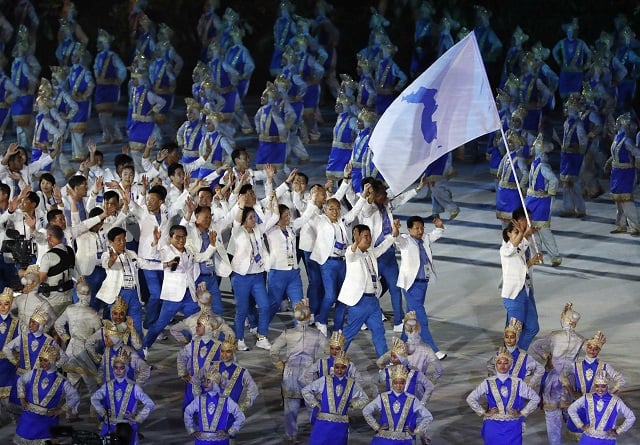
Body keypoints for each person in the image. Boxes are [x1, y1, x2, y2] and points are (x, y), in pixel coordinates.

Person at [270, 299, 327, 444]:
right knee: (312, 405)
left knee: (291, 406)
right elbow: (328, 351)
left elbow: (274, 350)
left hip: (291, 371)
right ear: (309, 318)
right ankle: (316, 433)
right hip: (309, 371)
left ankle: (292, 436)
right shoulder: (316, 334)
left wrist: (279, 364)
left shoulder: (288, 333)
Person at [530, 303, 585, 445]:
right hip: (571, 379)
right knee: (570, 411)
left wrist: (546, 356)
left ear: (563, 321)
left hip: (553, 379)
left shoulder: (554, 335)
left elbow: (535, 345)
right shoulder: (580, 339)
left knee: (552, 417)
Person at [338, 223, 396, 357]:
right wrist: (355, 244)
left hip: (373, 301)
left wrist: (393, 235)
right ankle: (335, 359)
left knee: (379, 331)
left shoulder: (370, 252)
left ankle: (384, 362)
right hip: (359, 302)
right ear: (356, 238)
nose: (369, 239)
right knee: (350, 332)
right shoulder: (351, 253)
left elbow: (382, 247)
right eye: (365, 237)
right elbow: (351, 253)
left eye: (369, 236)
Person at [394, 215, 446, 359]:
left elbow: (436, 234)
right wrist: (396, 230)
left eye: (422, 227)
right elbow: (397, 239)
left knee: (411, 316)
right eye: (416, 228)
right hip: (410, 284)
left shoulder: (424, 239)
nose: (420, 230)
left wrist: (439, 226)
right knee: (421, 317)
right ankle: (433, 349)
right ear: (409, 229)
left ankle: (401, 346)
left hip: (423, 283)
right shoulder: (406, 240)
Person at [466, 347, 540, 445]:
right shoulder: (488, 382)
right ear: (495, 365)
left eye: (505, 363)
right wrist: (484, 412)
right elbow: (470, 398)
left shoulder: (518, 382)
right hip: (493, 426)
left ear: (510, 365)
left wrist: (522, 413)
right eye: (499, 363)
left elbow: (536, 398)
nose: (502, 366)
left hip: (512, 426)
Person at [14, 345, 79, 444]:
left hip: (47, 421)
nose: (42, 363)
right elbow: (20, 380)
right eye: (41, 360)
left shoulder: (62, 381)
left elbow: (75, 396)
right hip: (28, 419)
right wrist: (22, 398)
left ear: (52, 361)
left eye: (46, 360)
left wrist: (62, 410)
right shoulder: (34, 373)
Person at [301, 350, 369, 445]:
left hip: (340, 426)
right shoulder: (325, 380)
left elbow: (365, 398)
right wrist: (316, 404)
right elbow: (305, 390)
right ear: (334, 367)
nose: (339, 370)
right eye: (337, 367)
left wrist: (352, 405)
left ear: (347, 368)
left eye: (343, 368)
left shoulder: (352, 384)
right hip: (323, 424)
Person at [90, 347, 155, 445]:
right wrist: (103, 412)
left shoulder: (134, 387)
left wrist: (138, 417)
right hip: (109, 427)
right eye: (116, 368)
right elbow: (94, 398)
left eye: (121, 368)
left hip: (127, 429)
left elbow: (150, 404)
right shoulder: (107, 386)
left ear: (126, 368)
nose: (118, 371)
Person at [499, 217, 543, 350]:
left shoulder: (518, 250)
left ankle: (519, 356)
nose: (518, 235)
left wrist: (533, 260)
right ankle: (511, 361)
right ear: (508, 234)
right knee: (513, 333)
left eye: (518, 233)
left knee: (533, 328)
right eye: (515, 232)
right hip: (513, 298)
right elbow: (514, 245)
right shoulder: (505, 249)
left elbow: (522, 266)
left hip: (524, 292)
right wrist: (522, 232)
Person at [363, 364, 433, 444]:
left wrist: (416, 431)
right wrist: (377, 427)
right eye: (395, 383)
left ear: (405, 383)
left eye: (401, 383)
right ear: (392, 383)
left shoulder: (412, 399)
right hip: (383, 438)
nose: (398, 386)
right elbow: (366, 411)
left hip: (404, 439)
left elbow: (428, 416)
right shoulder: (383, 397)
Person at [567, 369, 636, 444]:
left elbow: (631, 417)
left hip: (606, 440)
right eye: (597, 386)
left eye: (603, 386)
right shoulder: (587, 397)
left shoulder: (616, 401)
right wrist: (581, 425)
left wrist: (618, 431)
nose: (600, 389)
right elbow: (571, 409)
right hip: (588, 439)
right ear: (594, 385)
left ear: (607, 386)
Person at [184, 369, 245, 445]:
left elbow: (241, 417)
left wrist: (229, 431)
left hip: (220, 442)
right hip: (201, 442)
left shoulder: (227, 400)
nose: (205, 383)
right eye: (205, 380)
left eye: (208, 381)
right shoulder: (199, 399)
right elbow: (187, 411)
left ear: (215, 383)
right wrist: (191, 430)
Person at [177, 310, 222, 410]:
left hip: (211, 385)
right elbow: (181, 357)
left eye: (199, 325)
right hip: (194, 383)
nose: (196, 327)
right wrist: (183, 373)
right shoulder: (193, 344)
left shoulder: (219, 346)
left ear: (208, 327)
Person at [203, 333, 259, 413]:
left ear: (233, 352)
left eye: (228, 352)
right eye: (222, 351)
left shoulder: (242, 371)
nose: (224, 355)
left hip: (229, 415)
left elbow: (254, 390)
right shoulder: (212, 366)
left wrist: (242, 407)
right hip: (210, 411)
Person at [606, 113, 640, 236]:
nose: (616, 125)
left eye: (618, 123)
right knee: (618, 200)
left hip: (626, 173)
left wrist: (637, 164)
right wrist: (610, 161)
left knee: (626, 201)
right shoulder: (617, 137)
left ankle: (635, 226)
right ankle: (621, 225)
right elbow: (615, 153)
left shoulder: (627, 140)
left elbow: (637, 153)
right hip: (617, 172)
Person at [487, 319, 544, 389]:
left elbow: (540, 369)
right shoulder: (499, 354)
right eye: (507, 337)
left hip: (517, 394)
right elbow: (490, 365)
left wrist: (530, 383)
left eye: (512, 337)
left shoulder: (523, 356)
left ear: (516, 338)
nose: (509, 340)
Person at [35, 224, 75, 316]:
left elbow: (40, 280)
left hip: (53, 300)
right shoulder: (70, 251)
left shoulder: (48, 256)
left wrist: (28, 273)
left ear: (49, 237)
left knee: (48, 327)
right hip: (68, 297)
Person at [0, 287, 18, 422]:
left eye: (6, 304)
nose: (3, 307)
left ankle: (12, 415)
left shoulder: (17, 322)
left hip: (9, 363)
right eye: (0, 304)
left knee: (9, 393)